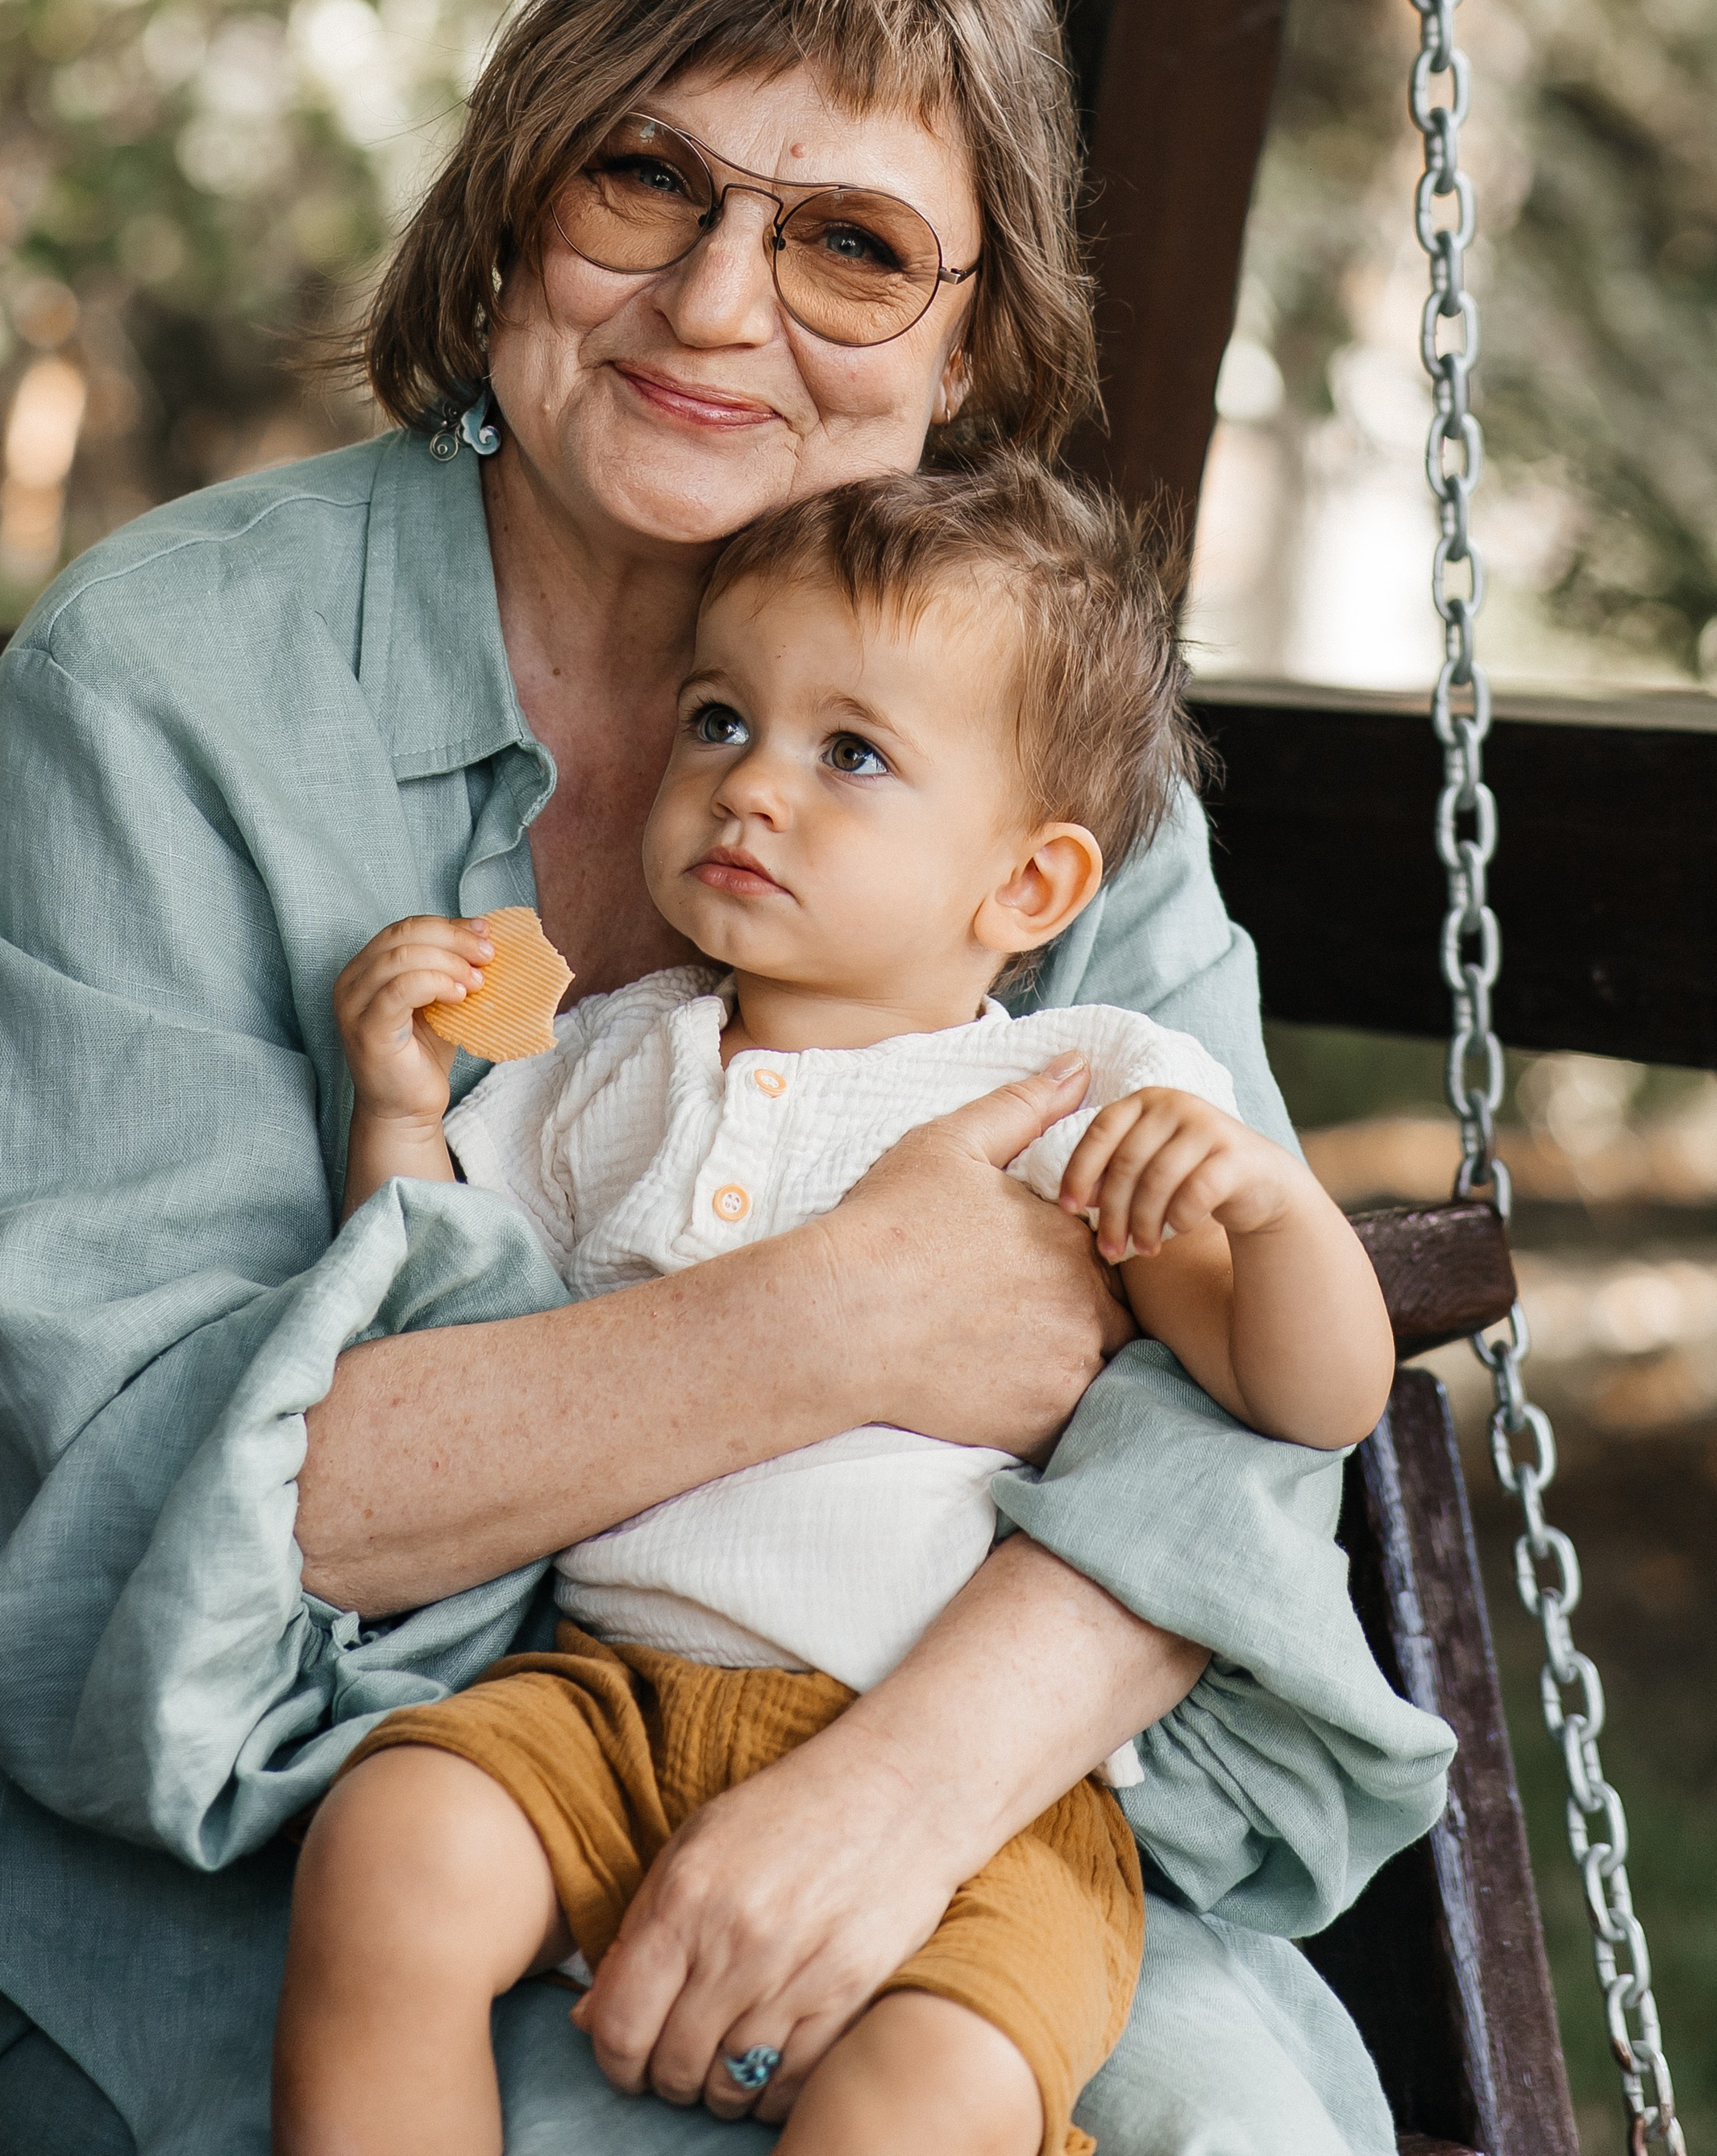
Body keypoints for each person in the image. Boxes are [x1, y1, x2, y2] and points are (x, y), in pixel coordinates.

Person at [0, 0, 1451, 2156]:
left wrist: (886, 1803)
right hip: (282, 1861)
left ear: (968, 345)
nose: (717, 305)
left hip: (956, 1793)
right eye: (646, 178)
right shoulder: (166, 690)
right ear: (517, 199)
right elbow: (151, 1511)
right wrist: (841, 1316)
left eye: (853, 245)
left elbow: (1237, 1427)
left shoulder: (1028, 737)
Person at [273, 457, 1400, 2156]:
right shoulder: (609, 1065)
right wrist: (394, 1109)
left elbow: (1306, 1396)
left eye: (850, 753)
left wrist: (1275, 1210)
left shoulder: (1075, 1090)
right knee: (388, 1852)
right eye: (719, 720)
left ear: (1026, 889)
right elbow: (435, 1332)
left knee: (924, 2096)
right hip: (614, 1693)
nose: (749, 785)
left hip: (966, 1790)